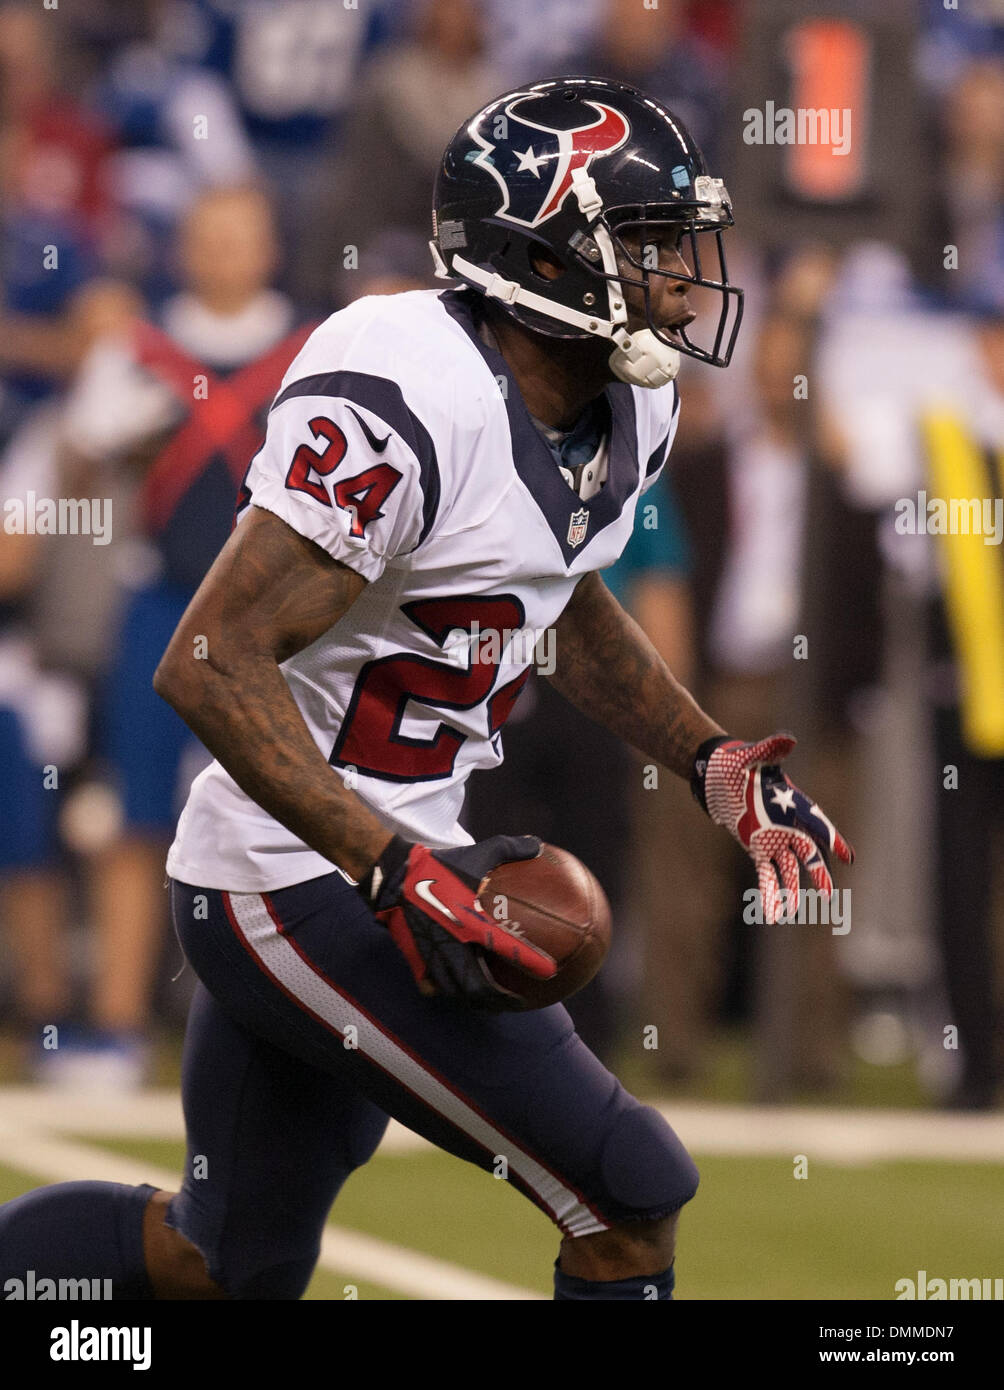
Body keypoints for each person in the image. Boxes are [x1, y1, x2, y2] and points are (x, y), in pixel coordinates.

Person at [0, 77, 851, 1301]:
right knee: (626, 1189)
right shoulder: (408, 385)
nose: (680, 276)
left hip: (393, 857)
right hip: (293, 877)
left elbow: (559, 590)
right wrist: (393, 867)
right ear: (545, 257)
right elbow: (207, 659)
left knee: (217, 1264)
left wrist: (712, 764)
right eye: (648, 245)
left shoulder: (624, 399)